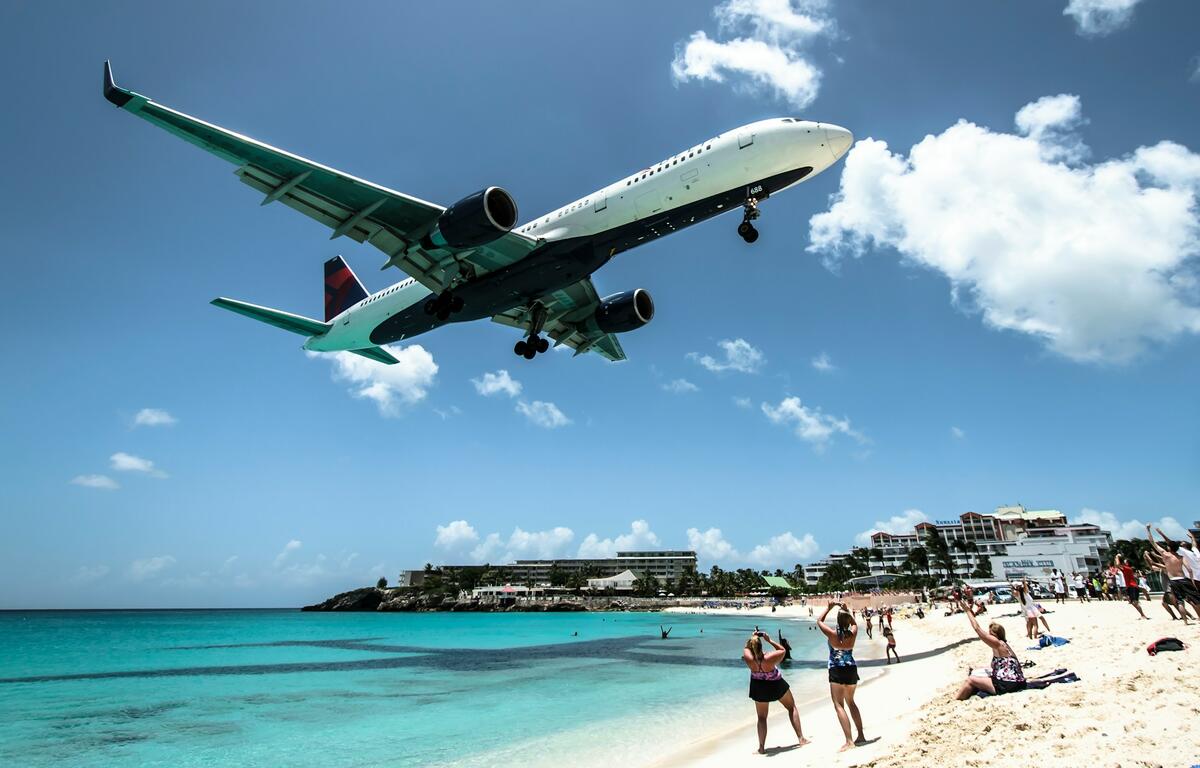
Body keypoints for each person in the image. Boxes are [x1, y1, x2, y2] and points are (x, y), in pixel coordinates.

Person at [743, 630, 809, 754]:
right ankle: (801, 738)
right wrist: (769, 640)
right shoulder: (769, 658)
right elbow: (783, 650)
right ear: (761, 645)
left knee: (761, 718)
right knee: (791, 707)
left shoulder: (749, 658)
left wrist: (753, 637)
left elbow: (746, 647)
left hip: (759, 687)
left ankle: (761, 748)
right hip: (775, 685)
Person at [817, 602, 867, 752]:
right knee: (851, 702)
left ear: (838, 621)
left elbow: (819, 621)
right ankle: (861, 735)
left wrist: (829, 607)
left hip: (836, 670)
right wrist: (846, 611)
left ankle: (849, 740)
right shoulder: (853, 632)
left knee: (839, 705)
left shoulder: (832, 635)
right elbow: (854, 622)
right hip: (851, 668)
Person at [954, 599, 1026, 700]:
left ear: (994, 635)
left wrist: (967, 611)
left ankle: (957, 701)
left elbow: (977, 628)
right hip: (1020, 682)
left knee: (970, 680)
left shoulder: (996, 643)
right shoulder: (1005, 646)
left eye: (989, 633)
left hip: (1007, 685)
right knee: (979, 672)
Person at [1147, 525, 1200, 618]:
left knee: (1182, 601)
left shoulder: (1178, 554)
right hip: (1188, 579)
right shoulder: (1192, 554)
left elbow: (1155, 543)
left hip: (1181, 580)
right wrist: (1193, 538)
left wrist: (1150, 531)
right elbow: (1194, 545)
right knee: (1195, 600)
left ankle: (1186, 620)